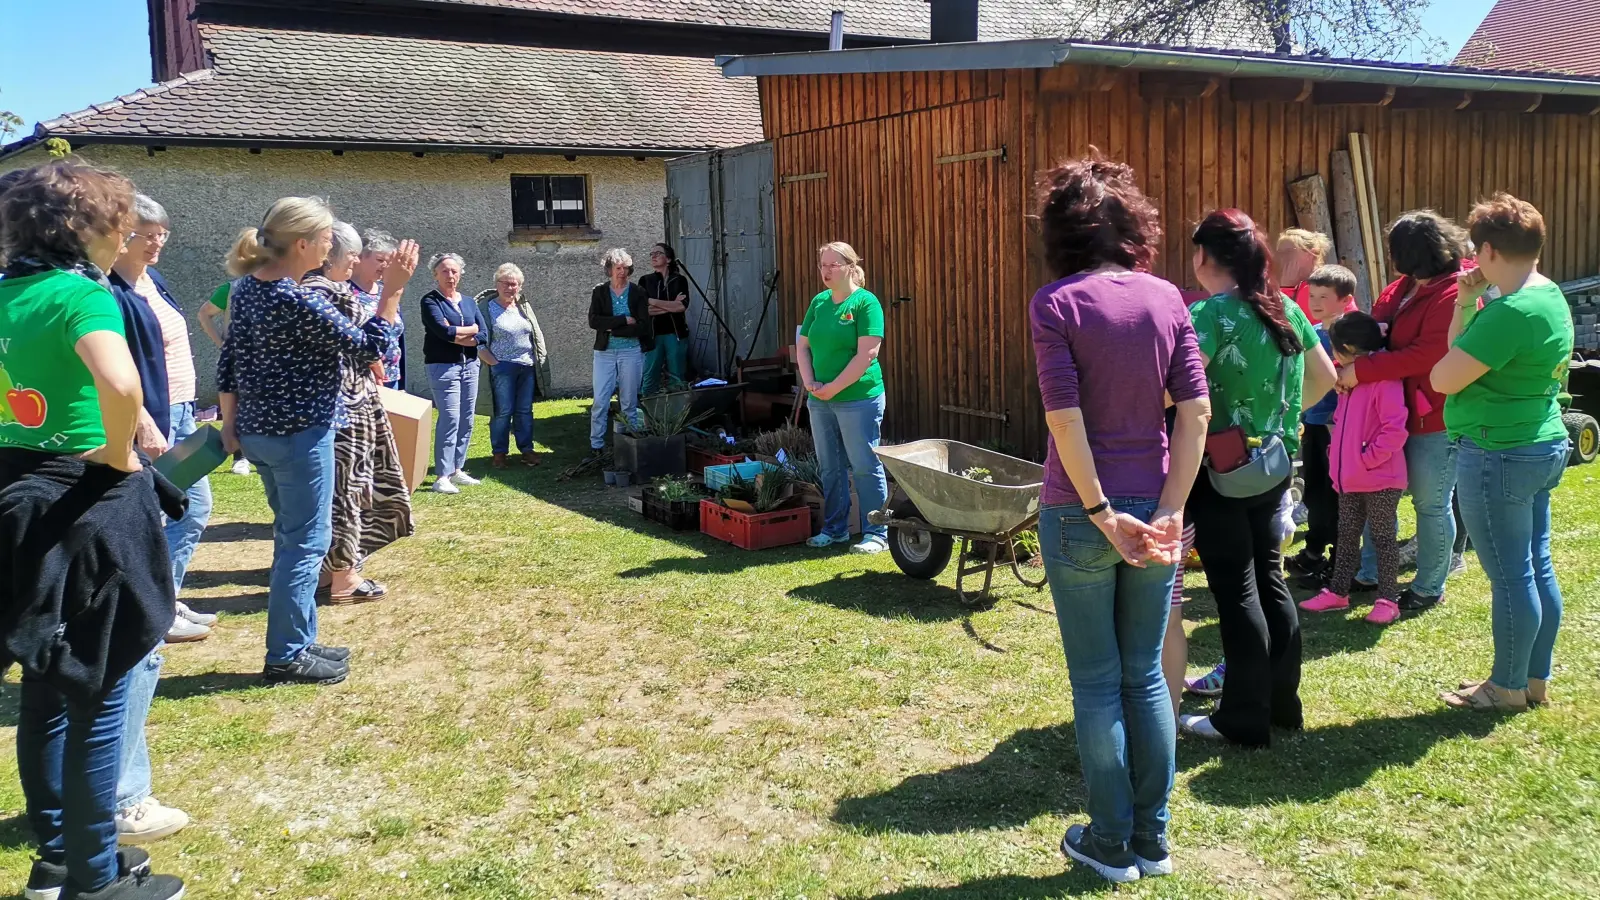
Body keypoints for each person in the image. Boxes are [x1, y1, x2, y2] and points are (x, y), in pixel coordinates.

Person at [0, 160, 186, 900]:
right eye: (119, 222)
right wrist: (115, 453)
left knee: (46, 686)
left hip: (17, 498)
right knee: (100, 692)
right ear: (86, 229)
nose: (126, 234)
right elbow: (117, 379)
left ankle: (57, 858)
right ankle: (96, 876)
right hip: (88, 505)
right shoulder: (81, 293)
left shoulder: (7, 291)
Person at [1029, 157, 1210, 884]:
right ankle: (1152, 842)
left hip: (1081, 513)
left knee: (1099, 682)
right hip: (1155, 509)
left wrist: (1102, 513)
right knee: (1146, 678)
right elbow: (1196, 412)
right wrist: (1170, 508)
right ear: (1135, 227)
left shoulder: (1055, 303)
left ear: (1060, 233)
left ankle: (1109, 843)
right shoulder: (1169, 299)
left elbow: (1064, 419)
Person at [218, 196, 411, 686]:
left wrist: (229, 422)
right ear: (302, 243)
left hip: (261, 434)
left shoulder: (247, 289)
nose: (331, 246)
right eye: (326, 238)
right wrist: (391, 292)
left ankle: (299, 641)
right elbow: (369, 347)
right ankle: (286, 655)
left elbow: (229, 360)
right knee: (305, 545)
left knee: (292, 540)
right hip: (299, 435)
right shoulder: (295, 298)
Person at [1179, 209, 1336, 747]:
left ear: (1204, 256)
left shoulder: (1208, 314)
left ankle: (1243, 718)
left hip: (1220, 470)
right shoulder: (1284, 306)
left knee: (1236, 590)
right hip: (1273, 464)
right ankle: (1282, 704)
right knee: (1269, 579)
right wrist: (1278, 422)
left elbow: (1178, 393)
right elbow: (1325, 377)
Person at [1434, 194, 1572, 712]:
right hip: (1540, 443)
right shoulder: (1547, 294)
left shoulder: (1509, 313)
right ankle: (1533, 679)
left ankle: (1507, 687)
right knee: (1535, 565)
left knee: (1512, 576)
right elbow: (1459, 355)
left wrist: (1474, 307)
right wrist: (1466, 301)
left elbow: (1443, 377)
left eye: (1476, 251)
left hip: (1499, 451)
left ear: (1488, 250)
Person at [105, 194, 208, 847]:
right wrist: (142, 419)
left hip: (174, 414)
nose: (156, 242)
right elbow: (117, 374)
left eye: (164, 232)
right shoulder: (100, 292)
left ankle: (162, 602)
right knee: (127, 639)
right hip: (141, 432)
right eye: (146, 232)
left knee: (195, 508)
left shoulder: (149, 282)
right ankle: (121, 795)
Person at [1337, 210, 1471, 613]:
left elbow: (1426, 354)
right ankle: (1371, 573)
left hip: (1434, 416)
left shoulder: (1453, 292)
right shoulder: (1405, 286)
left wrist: (1360, 370)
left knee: (1430, 504)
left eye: (1394, 249)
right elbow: (1377, 329)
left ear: (1411, 254)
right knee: (1376, 496)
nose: (1390, 256)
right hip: (1390, 411)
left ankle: (1429, 585)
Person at [305, 223, 416, 604]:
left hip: (347, 408)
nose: (354, 263)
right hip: (342, 413)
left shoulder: (322, 290)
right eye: (352, 254)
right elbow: (371, 347)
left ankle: (330, 571)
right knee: (347, 493)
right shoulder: (321, 293)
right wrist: (393, 290)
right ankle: (344, 577)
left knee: (347, 491)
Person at [1300, 312, 1410, 624]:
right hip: (1350, 479)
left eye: (1334, 347)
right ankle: (1338, 592)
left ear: (1347, 348)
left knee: (1383, 540)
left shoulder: (1384, 381)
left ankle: (1388, 600)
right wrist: (1339, 457)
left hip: (1380, 479)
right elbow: (1343, 424)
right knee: (1347, 536)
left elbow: (1394, 430)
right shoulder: (1350, 381)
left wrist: (1366, 459)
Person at [797, 242, 890, 554]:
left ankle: (877, 533)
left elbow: (867, 354)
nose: (825, 271)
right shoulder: (819, 302)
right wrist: (809, 381)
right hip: (820, 399)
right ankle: (835, 529)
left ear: (850, 266)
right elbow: (803, 345)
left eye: (833, 265)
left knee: (864, 465)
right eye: (822, 265)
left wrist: (833, 387)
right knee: (830, 467)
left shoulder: (866, 303)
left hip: (859, 398)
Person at [1286, 265, 1363, 585]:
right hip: (1314, 422)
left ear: (1345, 300)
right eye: (1312, 296)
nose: (1315, 303)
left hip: (1338, 426)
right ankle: (1314, 552)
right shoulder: (1313, 332)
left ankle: (1341, 560)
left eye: (1323, 297)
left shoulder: (1352, 335)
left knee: (1337, 497)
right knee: (1316, 491)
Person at [420, 252, 483, 495]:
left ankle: (457, 469)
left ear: (460, 274)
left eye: (454, 271)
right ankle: (442, 476)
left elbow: (484, 333)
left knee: (467, 418)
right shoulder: (430, 301)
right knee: (450, 418)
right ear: (435, 274)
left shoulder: (468, 302)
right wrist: (469, 331)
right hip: (443, 367)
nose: (450, 275)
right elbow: (442, 332)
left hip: (470, 366)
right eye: (444, 271)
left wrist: (461, 334)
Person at [477, 263, 548, 468]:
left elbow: (534, 334)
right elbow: (478, 339)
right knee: (503, 410)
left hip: (527, 365)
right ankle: (499, 453)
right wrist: (493, 362)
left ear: (520, 286)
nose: (510, 288)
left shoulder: (523, 306)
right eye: (505, 283)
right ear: (497, 284)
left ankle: (526, 450)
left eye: (514, 284)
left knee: (524, 410)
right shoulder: (487, 308)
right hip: (502, 367)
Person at [587, 249, 652, 458]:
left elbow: (643, 326)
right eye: (618, 268)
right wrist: (623, 320)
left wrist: (612, 328)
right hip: (605, 352)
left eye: (625, 268)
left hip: (631, 352)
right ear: (609, 270)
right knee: (600, 400)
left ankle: (629, 444)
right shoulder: (599, 291)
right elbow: (594, 321)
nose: (622, 272)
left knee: (629, 401)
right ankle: (596, 445)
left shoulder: (638, 292)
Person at [197, 278, 253, 475]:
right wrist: (222, 345)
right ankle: (240, 457)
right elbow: (204, 313)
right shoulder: (231, 289)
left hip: (271, 360)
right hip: (238, 360)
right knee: (236, 409)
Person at [352, 228, 406, 391]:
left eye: (388, 262)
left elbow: (396, 336)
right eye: (380, 259)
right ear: (361, 257)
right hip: (362, 376)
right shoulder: (345, 291)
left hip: (392, 376)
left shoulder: (386, 291)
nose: (385, 266)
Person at [639, 242, 690, 395]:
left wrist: (652, 301)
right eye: (652, 254)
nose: (653, 256)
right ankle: (649, 407)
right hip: (653, 335)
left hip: (676, 333)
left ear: (668, 259)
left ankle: (678, 407)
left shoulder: (679, 280)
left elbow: (681, 307)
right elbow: (644, 311)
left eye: (658, 253)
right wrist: (670, 305)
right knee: (650, 374)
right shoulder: (645, 281)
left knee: (677, 375)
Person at [1277, 228, 1333, 325]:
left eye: (1288, 252)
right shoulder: (1278, 283)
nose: (1282, 257)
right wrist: (1286, 287)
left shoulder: (1328, 283)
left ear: (1311, 254)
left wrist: (1287, 287)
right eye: (1279, 253)